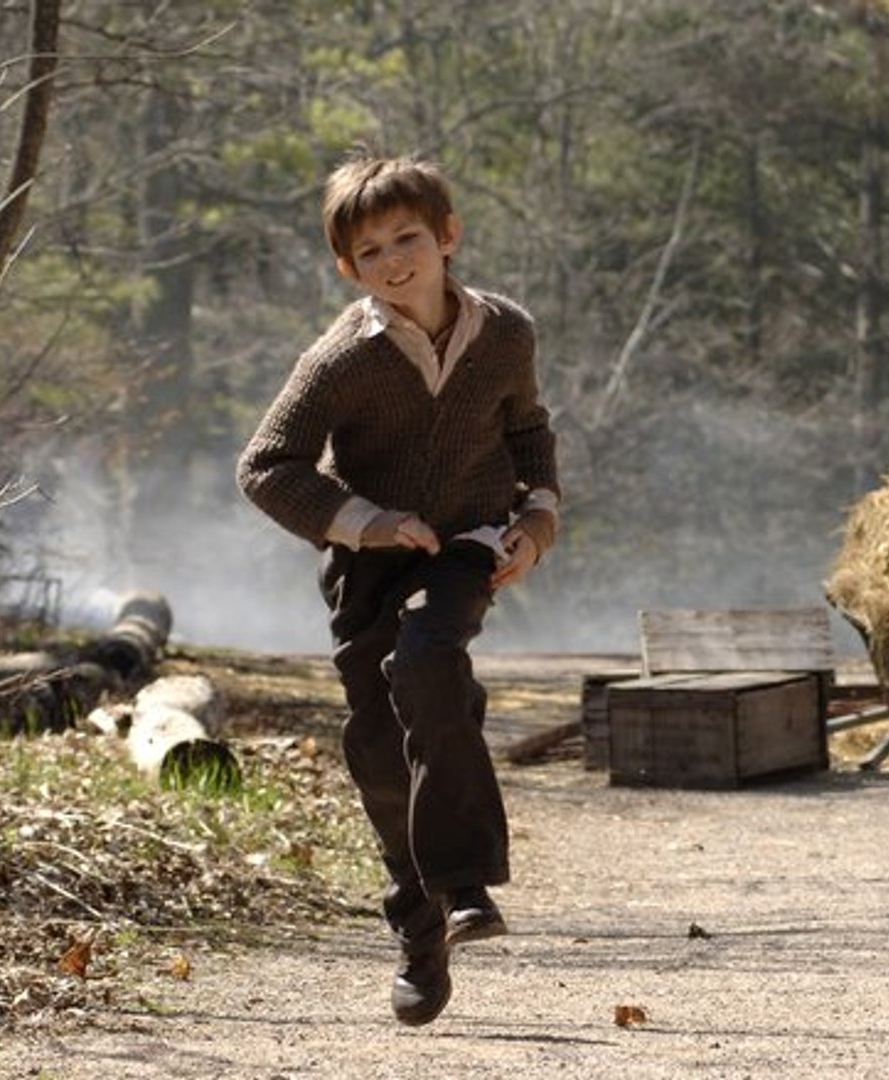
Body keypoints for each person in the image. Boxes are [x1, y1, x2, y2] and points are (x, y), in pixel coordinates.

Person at [236, 152, 559, 1026]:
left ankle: (463, 888)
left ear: (448, 237)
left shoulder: (506, 335)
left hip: (466, 544)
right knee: (379, 743)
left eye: (407, 237)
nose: (392, 260)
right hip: (367, 561)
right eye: (368, 250)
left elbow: (528, 433)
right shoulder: (343, 359)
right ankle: (420, 927)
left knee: (428, 658)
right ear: (349, 267)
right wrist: (368, 522)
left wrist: (537, 522)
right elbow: (266, 467)